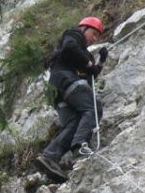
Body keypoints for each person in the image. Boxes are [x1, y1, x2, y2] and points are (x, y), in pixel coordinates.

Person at [36, 16, 109, 182]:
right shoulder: (74, 35)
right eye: (94, 33)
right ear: (84, 28)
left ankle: (50, 157)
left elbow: (93, 74)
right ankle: (80, 145)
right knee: (93, 108)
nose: (95, 38)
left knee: (73, 122)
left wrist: (101, 60)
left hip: (57, 91)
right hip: (67, 81)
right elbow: (69, 46)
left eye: (98, 36)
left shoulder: (84, 55)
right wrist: (89, 64)